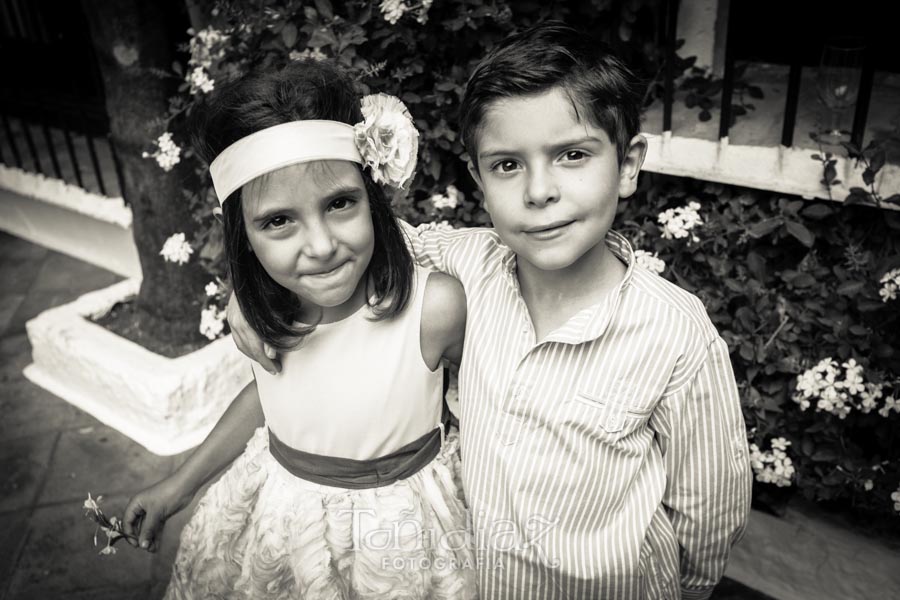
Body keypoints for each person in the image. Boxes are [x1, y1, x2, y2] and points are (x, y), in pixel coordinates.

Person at [229, 22, 752, 599]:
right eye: (507, 165)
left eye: (572, 155)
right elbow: (348, 244)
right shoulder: (473, 263)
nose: (539, 191)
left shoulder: (675, 334)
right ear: (478, 179)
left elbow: (709, 508)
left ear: (627, 165)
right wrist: (250, 294)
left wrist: (689, 590)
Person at [122, 59, 476, 600]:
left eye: (339, 203)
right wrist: (179, 485)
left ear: (372, 198)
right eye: (278, 221)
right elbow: (270, 395)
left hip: (401, 542)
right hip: (280, 523)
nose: (320, 245)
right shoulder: (276, 307)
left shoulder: (434, 309)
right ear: (244, 236)